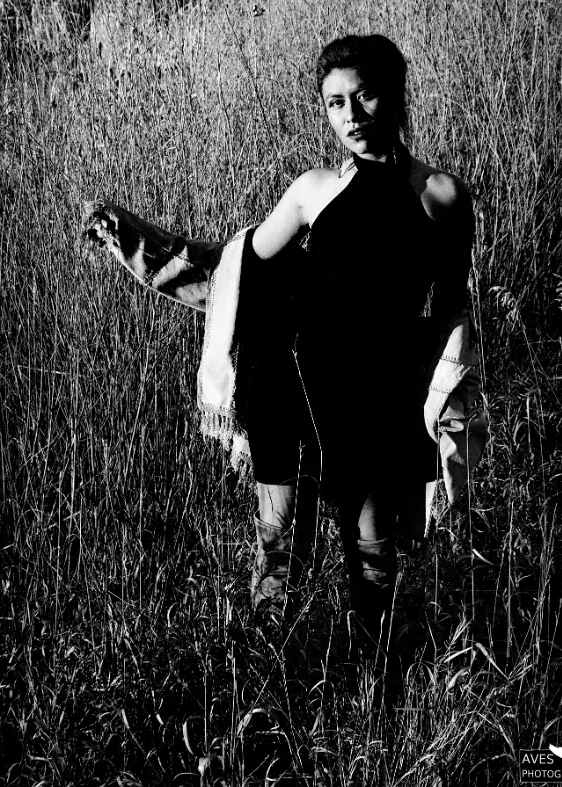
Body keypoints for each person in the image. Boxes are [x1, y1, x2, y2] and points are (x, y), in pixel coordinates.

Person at [84, 33, 483, 651]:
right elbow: (233, 271)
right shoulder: (312, 190)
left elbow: (451, 308)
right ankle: (273, 666)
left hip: (377, 393)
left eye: (364, 95)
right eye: (335, 102)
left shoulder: (444, 197)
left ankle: (375, 672)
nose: (351, 115)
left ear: (396, 96)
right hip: (290, 382)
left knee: (373, 549)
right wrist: (137, 242)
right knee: (280, 542)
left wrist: (444, 394)